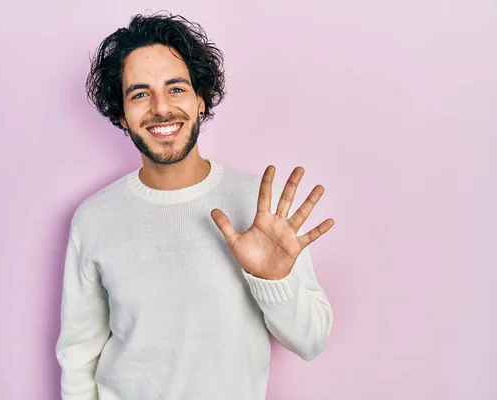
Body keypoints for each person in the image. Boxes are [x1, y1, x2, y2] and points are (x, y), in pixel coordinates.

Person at [55, 11, 335, 400]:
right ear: (121, 114)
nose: (160, 108)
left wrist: (275, 280)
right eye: (139, 94)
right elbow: (78, 356)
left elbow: (311, 341)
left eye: (176, 89)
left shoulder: (259, 206)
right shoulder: (94, 218)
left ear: (201, 100)